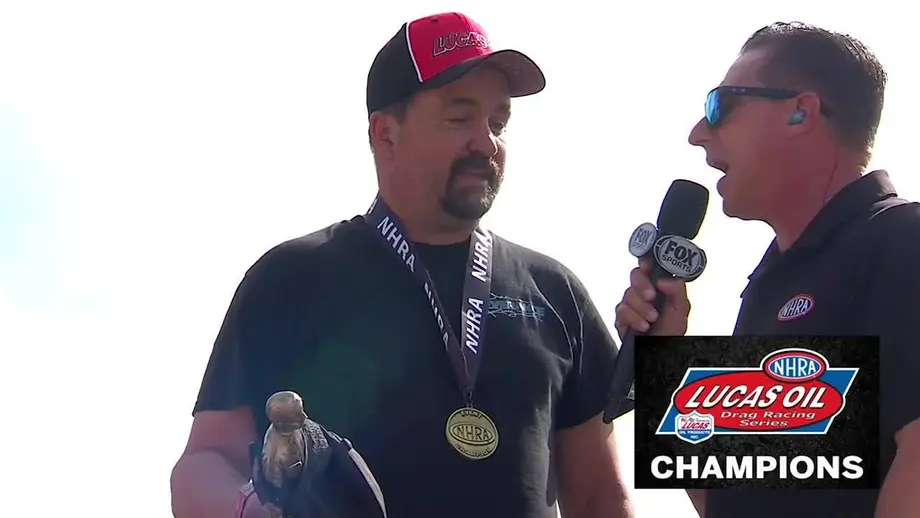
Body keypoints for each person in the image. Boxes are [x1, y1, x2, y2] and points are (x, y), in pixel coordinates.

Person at [170, 12, 634, 518]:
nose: (486, 142)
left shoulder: (555, 292)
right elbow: (203, 464)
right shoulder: (292, 277)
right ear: (386, 134)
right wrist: (249, 511)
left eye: (498, 123)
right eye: (459, 118)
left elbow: (603, 497)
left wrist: (671, 354)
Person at [614, 21, 920, 518]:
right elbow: (734, 497)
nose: (698, 134)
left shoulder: (901, 240)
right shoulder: (772, 280)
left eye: (719, 105)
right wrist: (662, 362)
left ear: (801, 112)